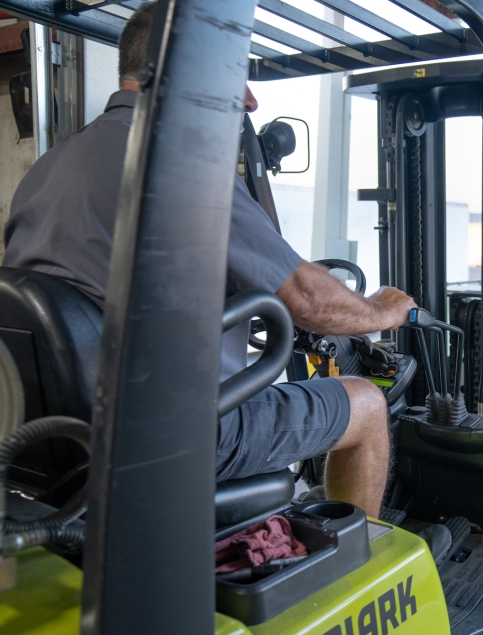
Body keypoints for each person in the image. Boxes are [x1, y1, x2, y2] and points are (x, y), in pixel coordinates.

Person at [1, 3, 414, 519]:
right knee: (367, 405)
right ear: (184, 67)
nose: (248, 98)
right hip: (179, 430)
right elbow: (307, 297)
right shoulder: (181, 164)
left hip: (56, 434)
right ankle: (359, 571)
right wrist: (382, 311)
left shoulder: (45, 169)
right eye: (231, 73)